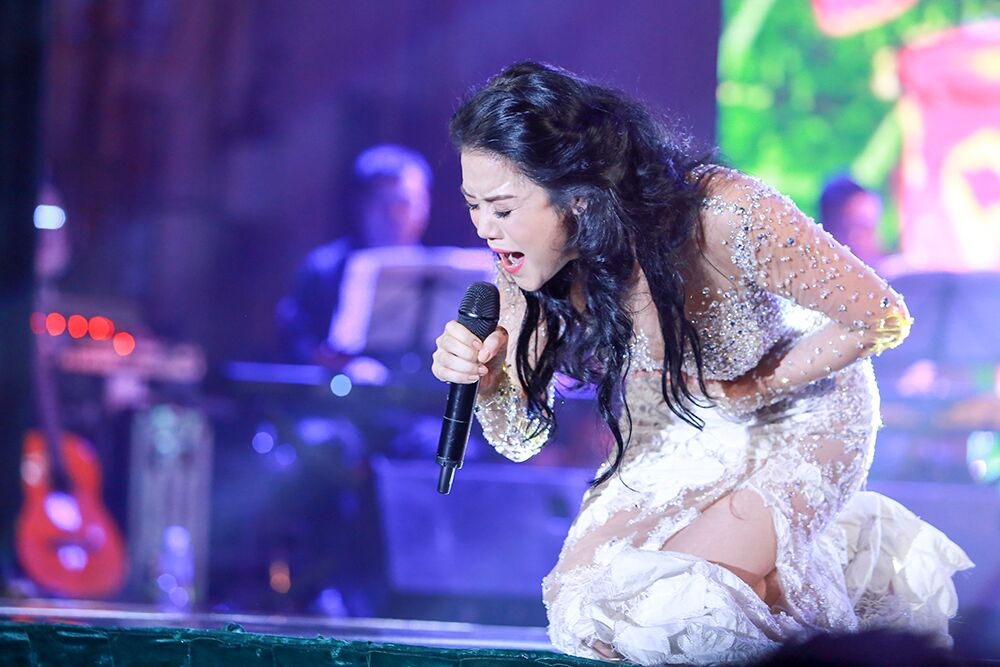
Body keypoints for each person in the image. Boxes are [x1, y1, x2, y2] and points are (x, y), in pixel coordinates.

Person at [431, 62, 972, 665]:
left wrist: (753, 387)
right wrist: (488, 380)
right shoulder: (521, 266)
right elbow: (518, 439)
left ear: (578, 196)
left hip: (799, 412)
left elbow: (880, 314)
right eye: (473, 205)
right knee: (588, 612)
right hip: (676, 419)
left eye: (502, 208)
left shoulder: (724, 213)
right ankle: (796, 593)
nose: (484, 229)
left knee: (672, 610)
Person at [277, 143, 432, 364]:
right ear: (361, 206)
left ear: (425, 206)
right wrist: (336, 364)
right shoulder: (324, 269)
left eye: (404, 204)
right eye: (383, 205)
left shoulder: (435, 275)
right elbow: (297, 339)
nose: (394, 217)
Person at [819, 174, 908, 278]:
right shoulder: (828, 275)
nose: (866, 238)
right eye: (858, 227)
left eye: (869, 227)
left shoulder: (898, 270)